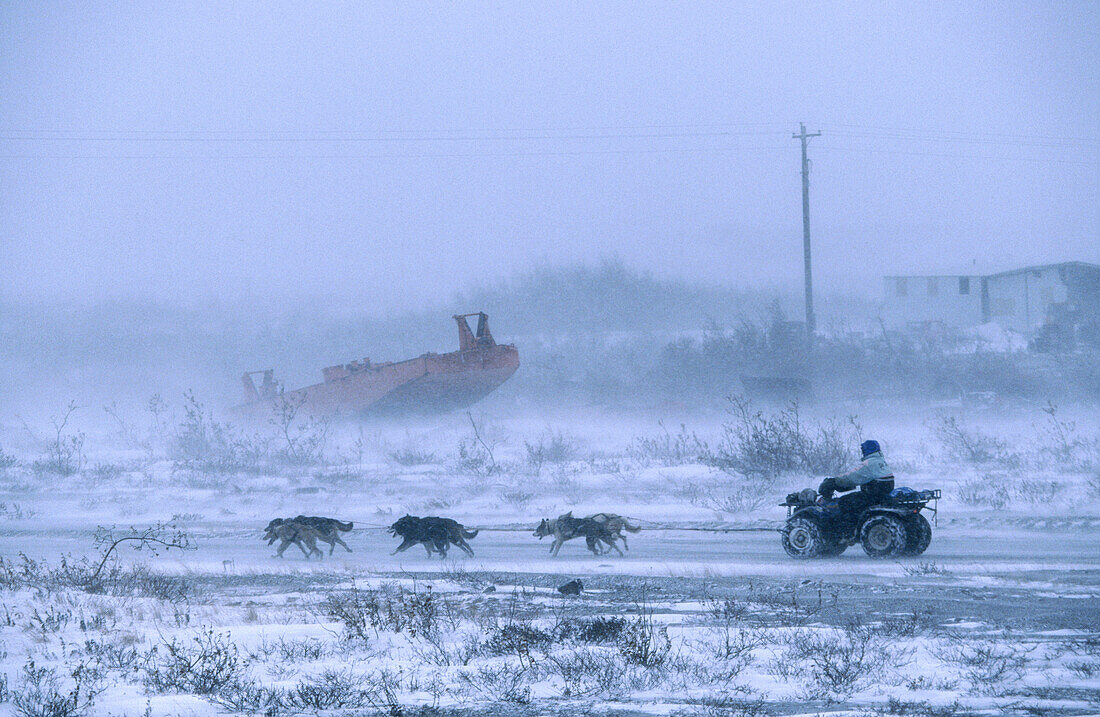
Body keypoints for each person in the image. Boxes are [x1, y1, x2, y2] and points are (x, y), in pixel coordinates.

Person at [818, 440, 895, 531]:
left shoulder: (869, 463)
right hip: (881, 496)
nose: (862, 452)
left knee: (844, 502)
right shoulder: (881, 461)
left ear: (867, 450)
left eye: (863, 449)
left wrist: (834, 482)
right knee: (855, 501)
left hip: (872, 496)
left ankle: (844, 530)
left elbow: (851, 477)